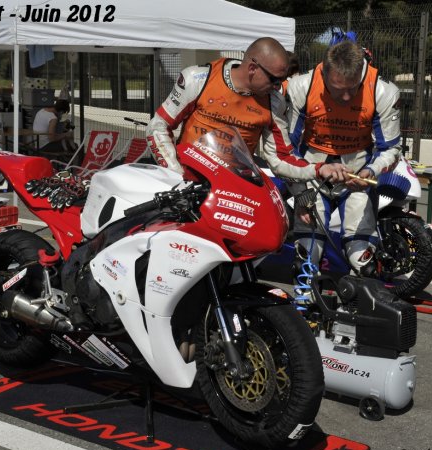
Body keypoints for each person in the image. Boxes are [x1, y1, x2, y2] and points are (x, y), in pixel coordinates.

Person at [146, 37, 349, 183]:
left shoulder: (274, 101)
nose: (279, 86)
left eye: (282, 79)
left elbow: (281, 158)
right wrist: (176, 175)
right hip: (187, 185)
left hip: (233, 189)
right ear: (252, 68)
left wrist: (319, 169)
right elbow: (158, 126)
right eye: (274, 79)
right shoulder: (198, 79)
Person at [286, 39, 402, 275]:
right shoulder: (301, 87)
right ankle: (304, 296)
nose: (347, 97)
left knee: (364, 261)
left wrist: (371, 172)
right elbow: (286, 148)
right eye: (338, 89)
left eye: (353, 88)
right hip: (313, 172)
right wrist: (301, 193)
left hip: (357, 174)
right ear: (323, 73)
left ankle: (361, 294)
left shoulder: (382, 91)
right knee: (305, 256)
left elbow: (390, 148)